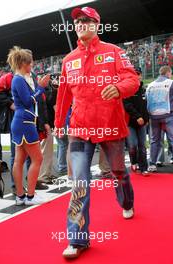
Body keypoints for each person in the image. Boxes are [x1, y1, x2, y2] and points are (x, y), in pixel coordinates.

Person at [54, 7, 139, 259]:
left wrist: (119, 87)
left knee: (118, 172)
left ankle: (126, 202)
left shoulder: (115, 52)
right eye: (77, 21)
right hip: (79, 129)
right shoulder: (69, 60)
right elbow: (63, 95)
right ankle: (77, 239)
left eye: (85, 20)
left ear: (97, 24)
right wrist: (60, 122)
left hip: (111, 125)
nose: (80, 24)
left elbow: (132, 78)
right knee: (80, 181)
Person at [7, 46, 50, 205]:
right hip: (25, 122)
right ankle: (30, 196)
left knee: (19, 159)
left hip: (22, 121)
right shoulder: (18, 79)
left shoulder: (18, 78)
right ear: (24, 63)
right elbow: (28, 101)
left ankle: (20, 196)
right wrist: (40, 88)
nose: (32, 65)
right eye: (31, 63)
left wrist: (37, 89)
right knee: (37, 158)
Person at [146, 65, 173, 172]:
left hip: (154, 116)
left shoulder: (150, 85)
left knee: (154, 140)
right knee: (172, 138)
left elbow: (147, 100)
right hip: (168, 114)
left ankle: (152, 163)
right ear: (168, 73)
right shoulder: (170, 83)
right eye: (170, 74)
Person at [123, 67, 149, 176]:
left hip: (142, 123)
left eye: (138, 74)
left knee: (142, 145)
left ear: (141, 75)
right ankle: (134, 162)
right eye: (135, 74)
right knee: (132, 145)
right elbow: (127, 105)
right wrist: (138, 116)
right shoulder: (127, 90)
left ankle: (144, 168)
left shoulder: (144, 90)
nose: (137, 76)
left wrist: (146, 119)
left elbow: (146, 106)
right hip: (130, 123)